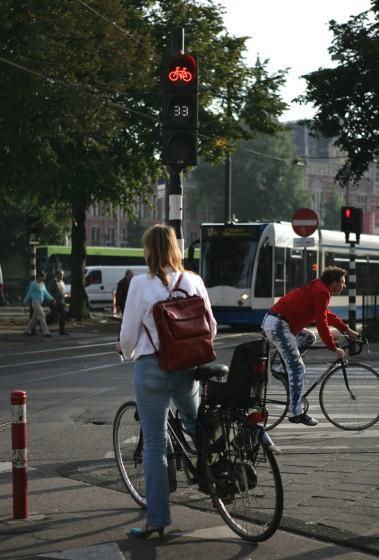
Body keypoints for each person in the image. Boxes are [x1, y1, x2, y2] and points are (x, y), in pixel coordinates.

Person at [117, 224, 217, 539]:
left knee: (156, 445)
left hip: (152, 369)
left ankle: (157, 520)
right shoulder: (194, 280)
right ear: (175, 248)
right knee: (196, 423)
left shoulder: (140, 285)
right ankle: (216, 475)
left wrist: (125, 350)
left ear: (149, 251)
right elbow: (210, 328)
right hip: (188, 368)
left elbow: (129, 333)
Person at [261, 266, 360, 426]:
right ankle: (296, 413)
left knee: (308, 337)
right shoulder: (321, 291)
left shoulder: (320, 288)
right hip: (279, 325)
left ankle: (283, 367)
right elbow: (322, 323)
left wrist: (346, 330)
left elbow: (325, 315)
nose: (343, 286)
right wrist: (333, 347)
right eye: (342, 282)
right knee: (298, 368)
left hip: (280, 322)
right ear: (333, 282)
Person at [23, 271, 55, 337]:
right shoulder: (34, 284)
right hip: (35, 302)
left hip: (40, 302)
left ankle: (27, 330)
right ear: (39, 277)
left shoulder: (43, 284)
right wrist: (24, 301)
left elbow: (46, 293)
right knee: (42, 315)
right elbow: (29, 292)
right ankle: (46, 332)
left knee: (34, 318)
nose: (44, 278)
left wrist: (52, 298)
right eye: (43, 277)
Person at [48, 270, 69, 335]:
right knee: (53, 316)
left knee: (63, 315)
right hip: (55, 302)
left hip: (61, 302)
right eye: (60, 275)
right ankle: (44, 324)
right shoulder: (53, 282)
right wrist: (52, 300)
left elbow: (62, 292)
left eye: (62, 275)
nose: (62, 276)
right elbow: (50, 292)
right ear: (57, 275)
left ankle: (62, 330)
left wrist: (65, 295)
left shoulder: (62, 282)